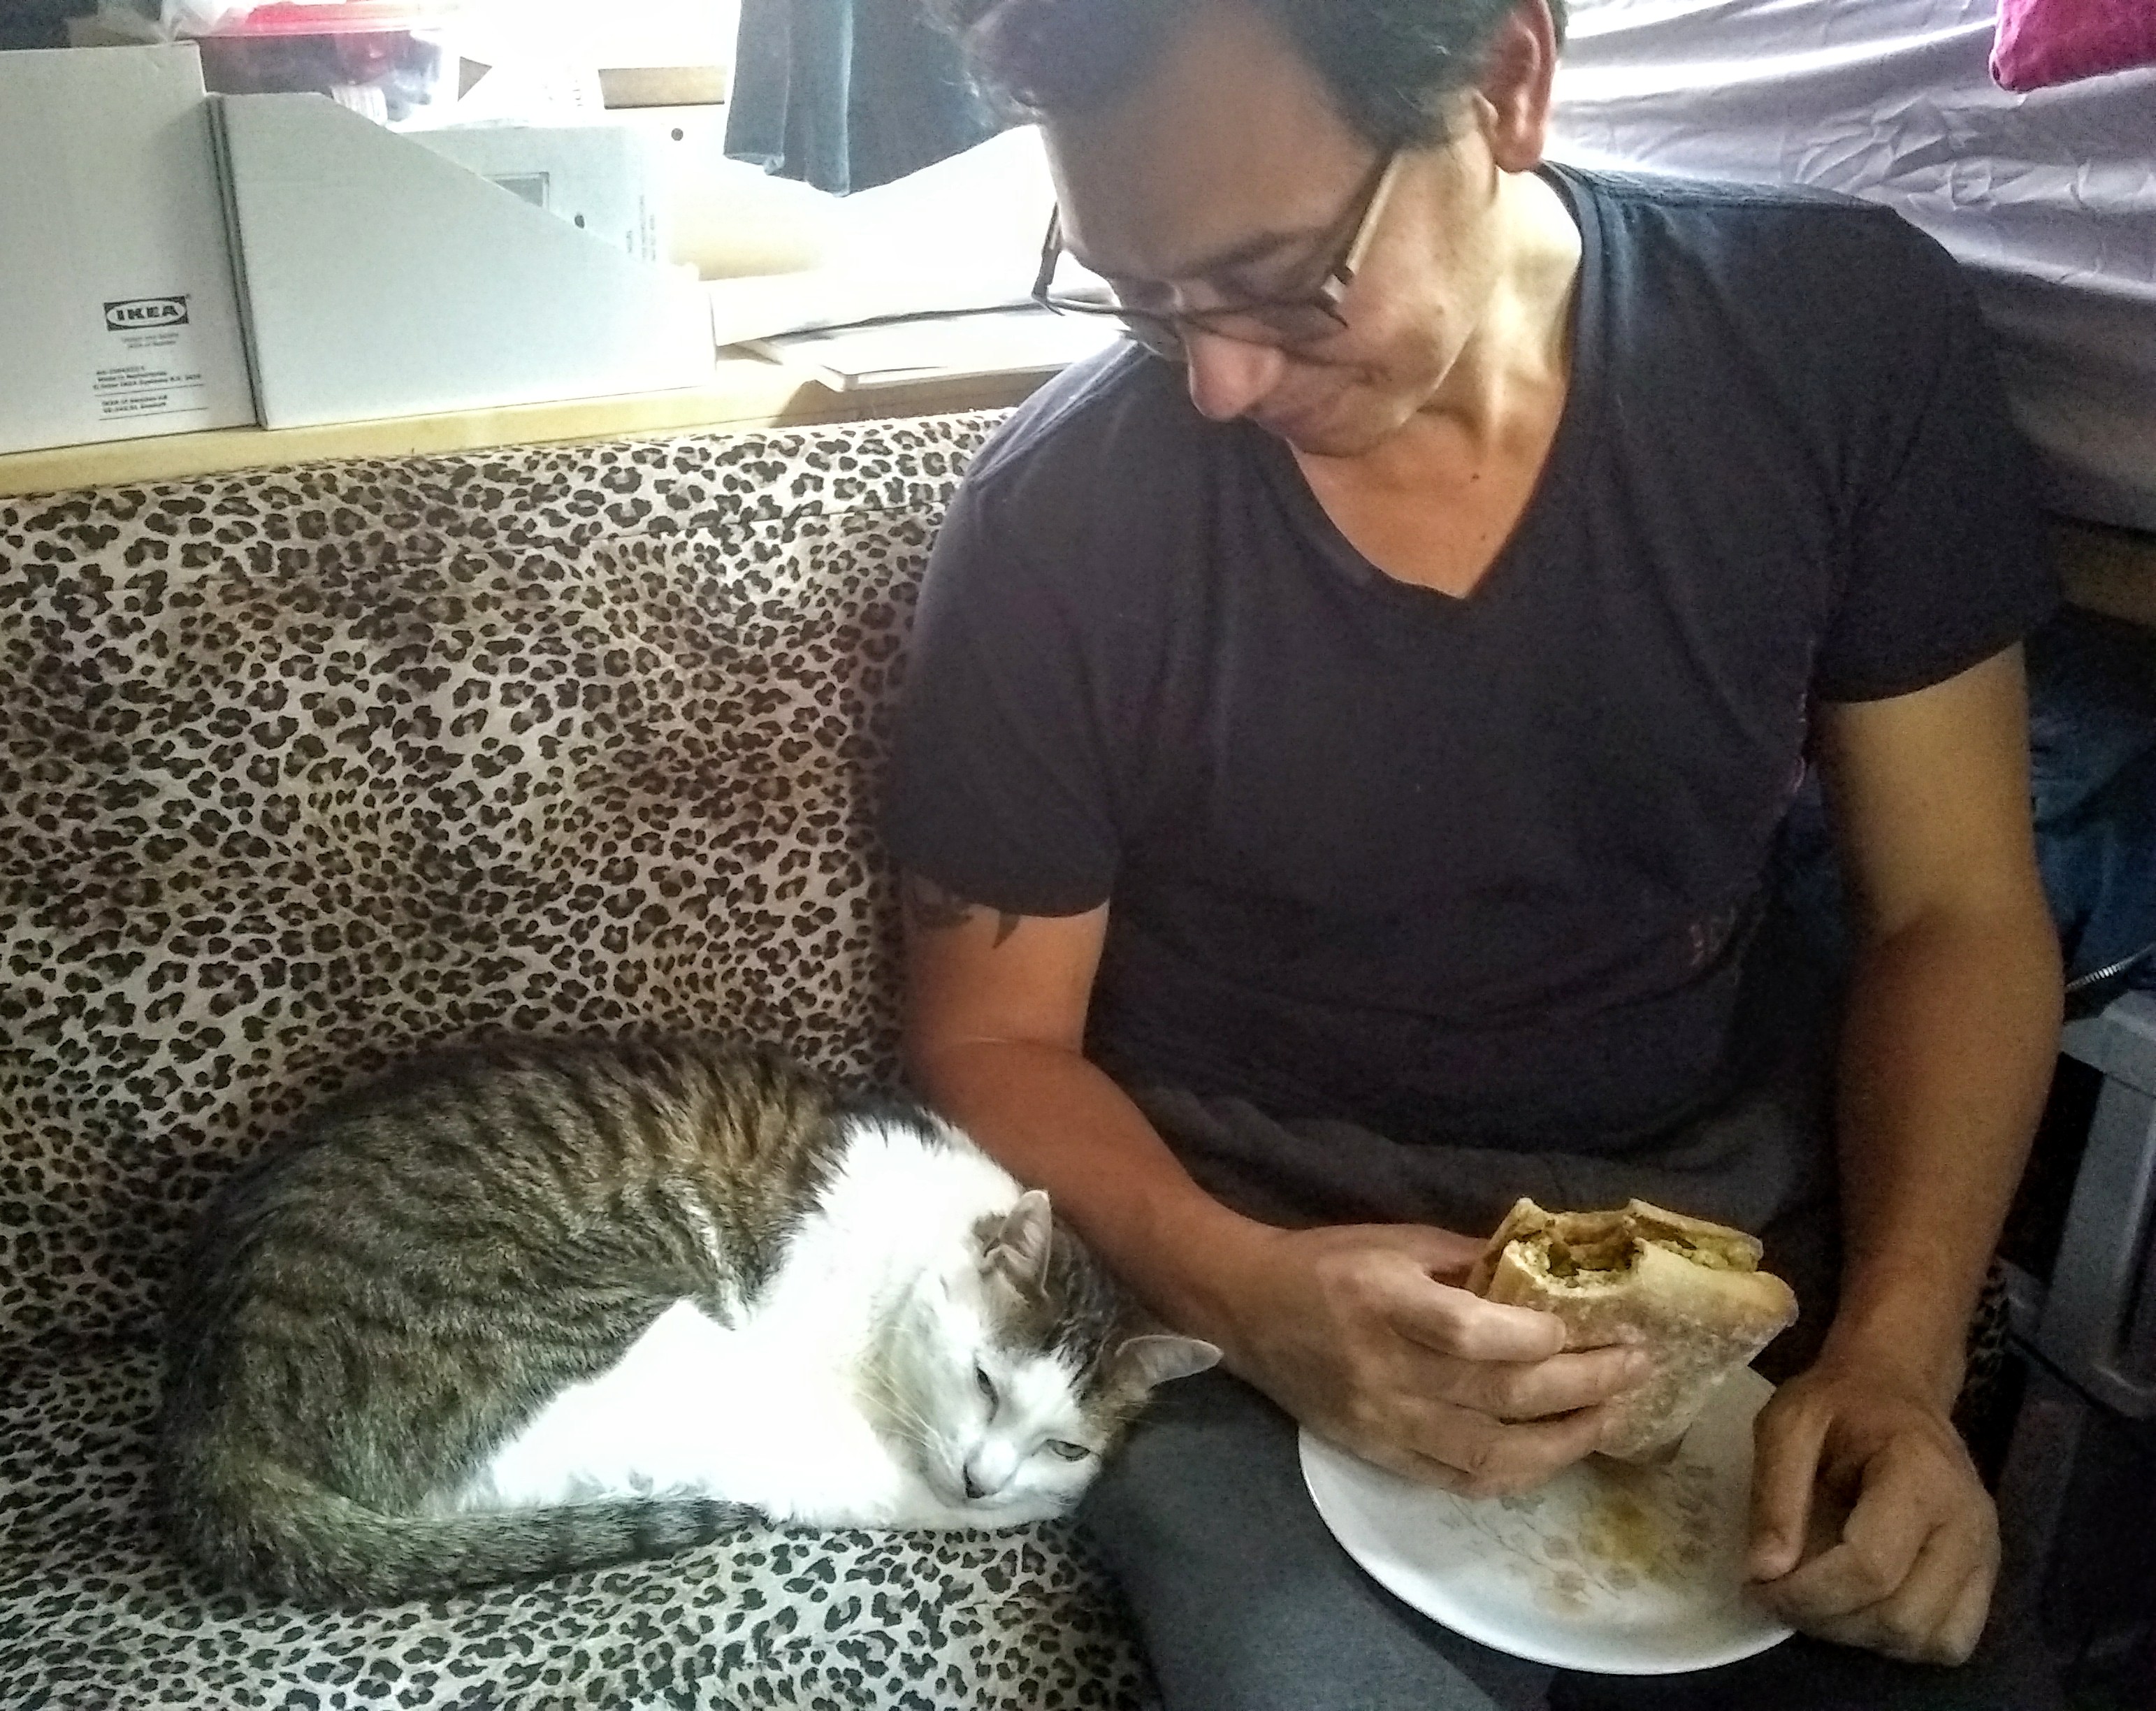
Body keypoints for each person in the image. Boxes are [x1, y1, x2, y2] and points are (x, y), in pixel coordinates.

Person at [883, 1, 2069, 1706]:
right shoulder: (1061, 519)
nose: (1215, 383)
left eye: (1280, 280)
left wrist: (1898, 1351)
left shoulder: (1832, 338)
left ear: (1508, 82)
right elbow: (992, 1040)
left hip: (1713, 1213)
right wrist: (1248, 1297)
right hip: (1235, 1235)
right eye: (1138, 297)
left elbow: (1953, 910)